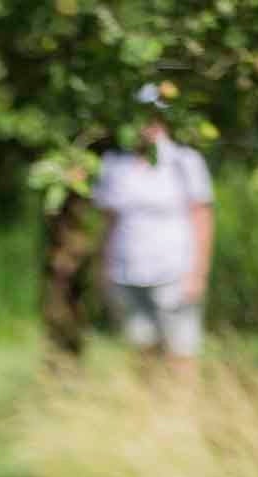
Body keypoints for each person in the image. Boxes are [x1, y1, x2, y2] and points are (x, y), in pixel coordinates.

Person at [94, 85, 215, 367]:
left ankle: (181, 410)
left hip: (173, 268)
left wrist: (198, 272)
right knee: (141, 348)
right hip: (128, 272)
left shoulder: (185, 161)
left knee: (180, 351)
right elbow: (109, 222)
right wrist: (105, 268)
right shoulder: (115, 164)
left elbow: (202, 217)